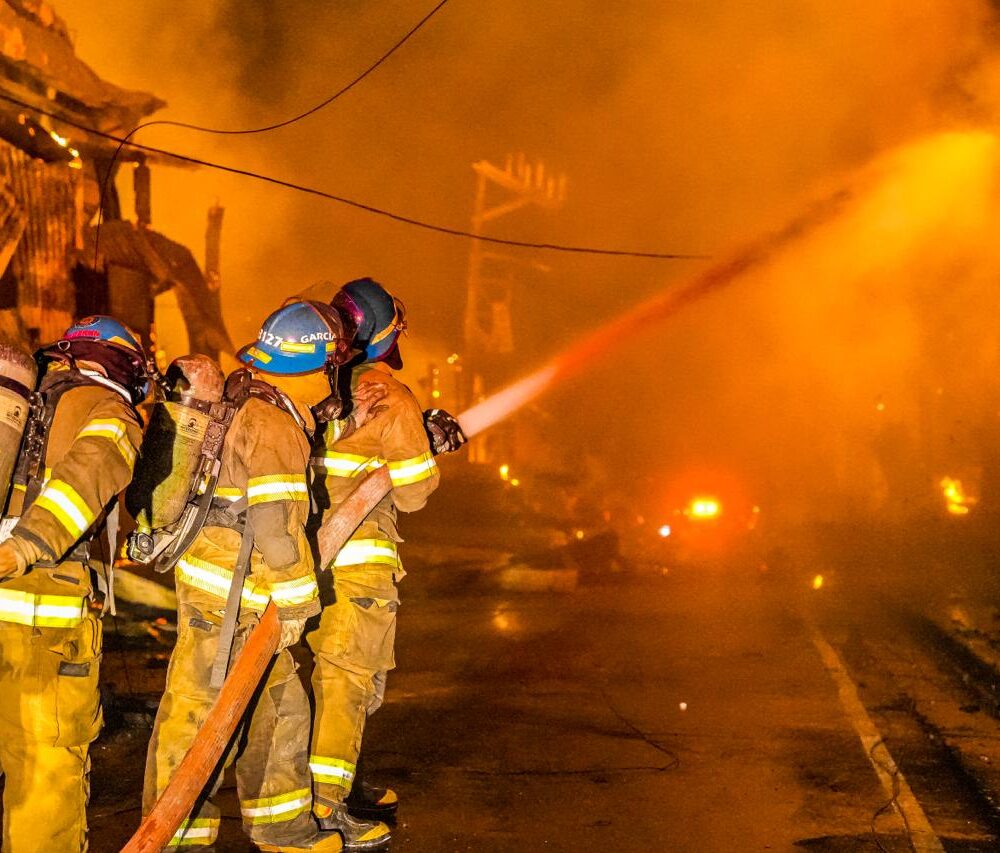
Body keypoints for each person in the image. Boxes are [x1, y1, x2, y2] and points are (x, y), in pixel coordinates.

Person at [142, 301, 368, 852]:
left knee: (280, 706)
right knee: (196, 716)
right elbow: (275, 520)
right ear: (317, 365)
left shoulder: (253, 398)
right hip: (235, 597)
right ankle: (174, 839)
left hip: (229, 586)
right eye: (331, 365)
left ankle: (283, 829)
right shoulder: (274, 423)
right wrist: (296, 603)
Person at [307, 278, 449, 849]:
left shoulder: (317, 387)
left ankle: (349, 786)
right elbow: (414, 491)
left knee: (332, 681)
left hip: (311, 557)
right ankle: (328, 807)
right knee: (348, 682)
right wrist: (430, 442)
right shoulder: (389, 393)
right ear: (384, 331)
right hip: (361, 566)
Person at [0, 317, 147, 852]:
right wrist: (24, 549)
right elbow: (83, 480)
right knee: (45, 768)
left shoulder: (21, 399)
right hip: (43, 621)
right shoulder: (109, 412)